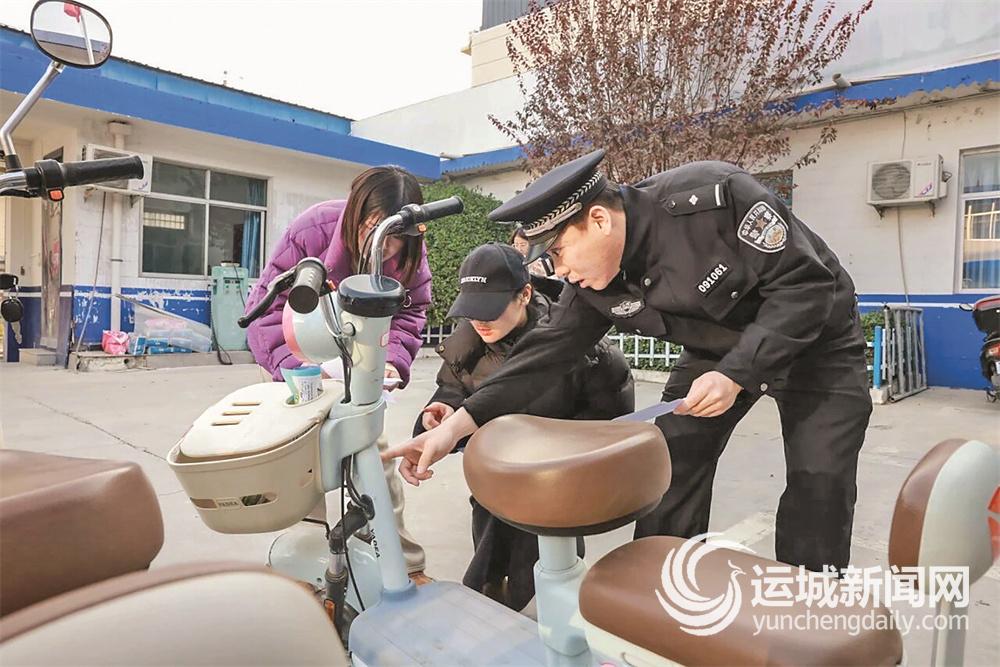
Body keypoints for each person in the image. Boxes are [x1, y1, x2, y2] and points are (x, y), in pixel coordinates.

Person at [384, 149, 873, 574]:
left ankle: (809, 614)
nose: (561, 272)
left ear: (598, 220)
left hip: (818, 343)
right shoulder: (592, 283)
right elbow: (540, 358)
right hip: (715, 351)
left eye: (559, 252)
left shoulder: (714, 199)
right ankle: (662, 589)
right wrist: (457, 426)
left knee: (820, 485)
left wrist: (736, 374)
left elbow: (807, 288)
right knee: (671, 461)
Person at [415, 242, 633, 609]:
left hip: (564, 471)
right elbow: (451, 390)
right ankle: (495, 597)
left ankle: (502, 600)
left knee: (537, 537)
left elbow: (615, 415)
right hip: (500, 473)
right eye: (472, 309)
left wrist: (561, 453)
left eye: (490, 309)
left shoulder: (576, 341)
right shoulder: (467, 343)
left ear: (525, 294)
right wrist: (440, 411)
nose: (480, 321)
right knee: (493, 515)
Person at [245, 165, 431, 584]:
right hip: (297, 358)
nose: (383, 244)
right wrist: (300, 370)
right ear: (355, 211)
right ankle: (302, 566)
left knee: (372, 452)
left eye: (396, 236)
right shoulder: (313, 229)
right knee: (301, 462)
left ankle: (403, 564)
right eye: (371, 226)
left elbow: (412, 311)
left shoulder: (409, 254)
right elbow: (265, 311)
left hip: (359, 361)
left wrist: (390, 361)